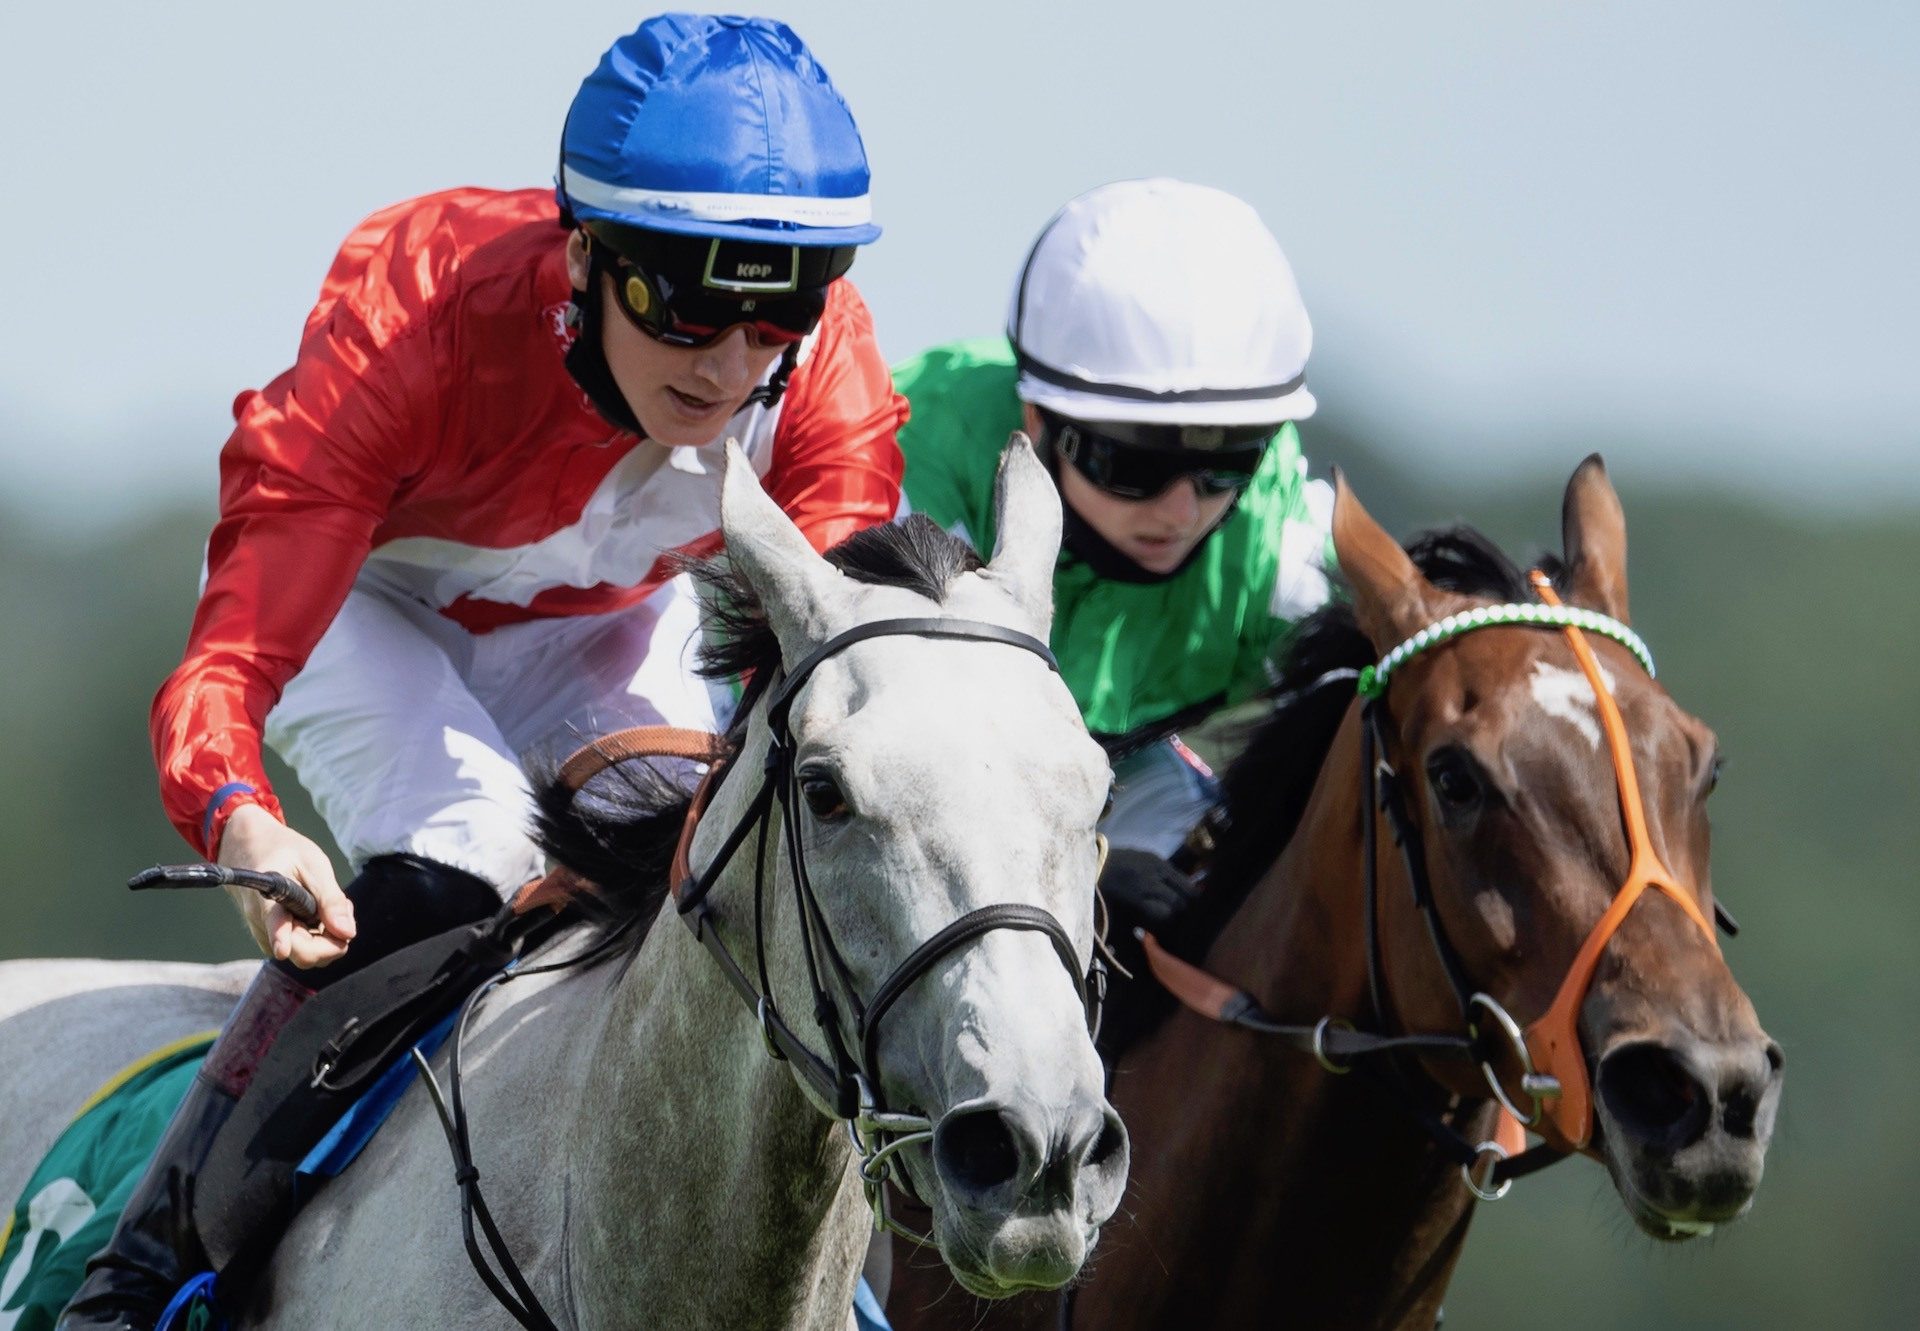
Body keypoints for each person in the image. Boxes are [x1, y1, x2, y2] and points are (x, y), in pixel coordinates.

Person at [62, 15, 905, 1327]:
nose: (732, 361)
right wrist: (243, 814)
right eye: (687, 301)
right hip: (375, 608)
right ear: (586, 253)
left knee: (719, 882)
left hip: (607, 628)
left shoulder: (821, 370)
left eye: (780, 306)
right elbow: (229, 659)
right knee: (469, 842)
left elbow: (848, 667)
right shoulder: (420, 310)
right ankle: (148, 1263)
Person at [894, 178, 1333, 949]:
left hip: (1115, 765)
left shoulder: (1278, 537)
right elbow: (892, 764)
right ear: (1039, 419)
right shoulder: (918, 470)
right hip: (901, 759)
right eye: (1131, 465)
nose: (1180, 511)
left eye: (1226, 464)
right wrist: (1076, 870)